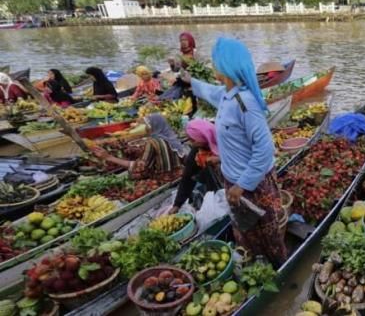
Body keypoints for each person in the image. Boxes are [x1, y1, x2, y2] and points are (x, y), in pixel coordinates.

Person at [180, 37, 287, 266]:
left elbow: (265, 148)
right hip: (234, 182)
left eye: (215, 61)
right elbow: (210, 92)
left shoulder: (245, 103)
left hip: (253, 185)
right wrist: (191, 81)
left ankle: (280, 273)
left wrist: (242, 185)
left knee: (268, 237)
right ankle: (255, 270)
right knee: (245, 234)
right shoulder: (227, 94)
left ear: (226, 65)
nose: (213, 65)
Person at [90, 114, 187, 182]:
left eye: (147, 126)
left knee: (133, 174)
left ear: (152, 127)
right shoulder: (172, 137)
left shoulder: (152, 143)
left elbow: (140, 167)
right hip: (179, 175)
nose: (145, 128)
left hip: (164, 179)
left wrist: (109, 157)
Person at [167, 119, 222, 214]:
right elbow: (187, 177)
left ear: (204, 136)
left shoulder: (225, 141)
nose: (192, 144)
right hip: (216, 190)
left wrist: (220, 159)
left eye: (193, 140)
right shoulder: (198, 151)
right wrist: (177, 205)